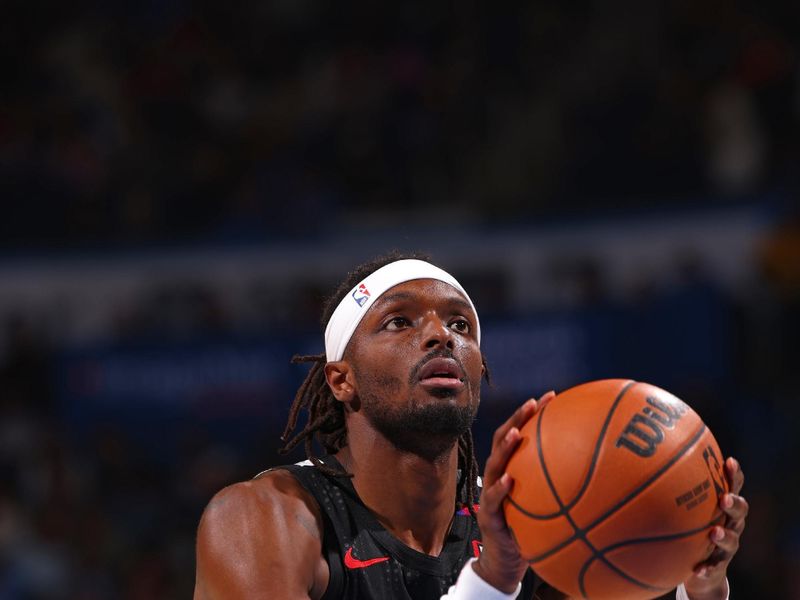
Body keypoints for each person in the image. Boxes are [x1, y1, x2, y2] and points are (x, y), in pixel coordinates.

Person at [194, 253, 748, 600]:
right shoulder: (262, 520)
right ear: (342, 381)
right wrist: (493, 580)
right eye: (399, 321)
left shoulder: (537, 528)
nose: (442, 335)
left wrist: (697, 587)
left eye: (460, 323)